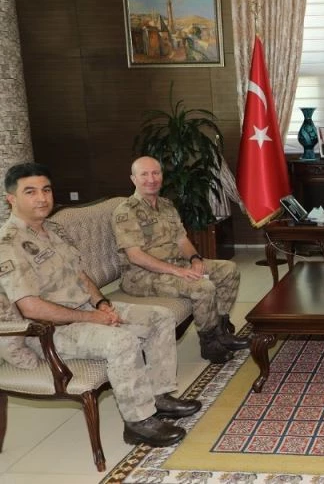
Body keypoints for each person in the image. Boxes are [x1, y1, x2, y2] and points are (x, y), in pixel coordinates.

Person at [0, 162, 202, 447]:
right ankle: (138, 423)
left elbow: (81, 276)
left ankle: (159, 396)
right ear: (11, 199)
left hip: (84, 310)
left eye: (46, 190)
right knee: (121, 340)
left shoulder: (52, 230)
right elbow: (31, 308)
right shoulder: (8, 244)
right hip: (48, 330)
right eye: (30, 192)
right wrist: (92, 318)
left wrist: (101, 303)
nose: (42, 198)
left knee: (160, 317)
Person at [112, 156, 248, 365]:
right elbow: (135, 256)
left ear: (162, 176)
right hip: (141, 276)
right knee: (202, 286)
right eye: (144, 174)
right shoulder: (126, 211)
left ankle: (221, 331)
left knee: (228, 270)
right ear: (133, 179)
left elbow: (182, 240)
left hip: (174, 264)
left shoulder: (167, 205)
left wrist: (195, 259)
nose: (151, 179)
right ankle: (210, 344)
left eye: (156, 173)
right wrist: (177, 271)